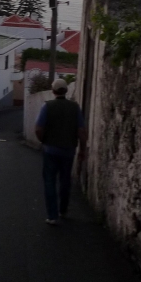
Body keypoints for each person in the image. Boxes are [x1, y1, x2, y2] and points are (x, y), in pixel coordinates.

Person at [34, 77, 87, 225]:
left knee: (49, 181)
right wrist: (82, 150)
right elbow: (82, 131)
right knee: (65, 180)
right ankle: (63, 209)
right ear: (66, 90)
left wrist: (43, 140)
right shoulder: (75, 108)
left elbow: (38, 128)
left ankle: (52, 216)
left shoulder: (47, 106)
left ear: (53, 91)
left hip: (50, 150)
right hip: (68, 150)